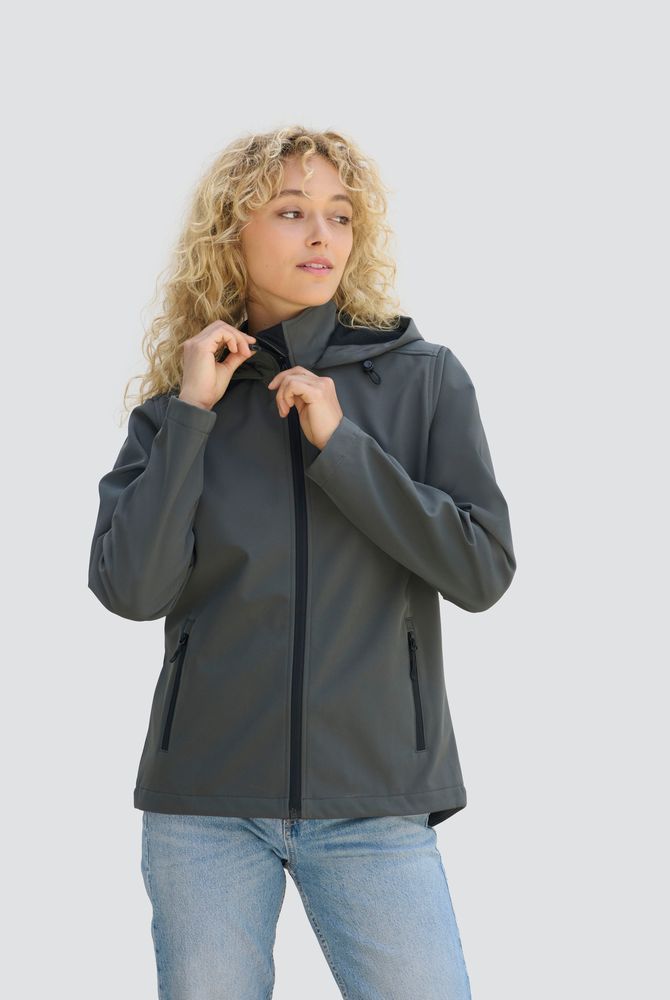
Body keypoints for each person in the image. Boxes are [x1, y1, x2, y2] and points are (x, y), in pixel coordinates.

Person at [87, 125, 516, 999]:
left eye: (339, 214)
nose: (322, 234)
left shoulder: (423, 379)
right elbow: (132, 588)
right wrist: (193, 416)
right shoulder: (178, 407)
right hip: (205, 806)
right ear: (231, 233)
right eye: (291, 212)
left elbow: (481, 570)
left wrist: (344, 448)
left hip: (374, 797)